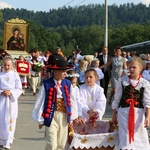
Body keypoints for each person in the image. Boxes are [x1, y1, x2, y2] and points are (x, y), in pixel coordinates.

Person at [32, 59, 78, 150]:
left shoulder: (68, 83)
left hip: (64, 116)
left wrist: (72, 118)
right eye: (63, 71)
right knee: (52, 143)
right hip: (51, 116)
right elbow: (40, 102)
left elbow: (72, 101)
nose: (65, 73)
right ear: (55, 71)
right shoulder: (47, 84)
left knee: (61, 144)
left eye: (66, 71)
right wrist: (40, 119)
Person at [112, 57, 150, 149]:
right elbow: (117, 99)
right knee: (125, 135)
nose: (131, 69)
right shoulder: (122, 81)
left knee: (139, 135)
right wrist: (114, 115)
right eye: (130, 67)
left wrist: (148, 117)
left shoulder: (144, 83)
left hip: (138, 113)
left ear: (140, 68)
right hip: (124, 113)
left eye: (134, 67)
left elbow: (147, 101)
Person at [0, 57, 22, 149]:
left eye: (9, 65)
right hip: (2, 99)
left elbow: (19, 88)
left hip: (11, 100)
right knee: (2, 119)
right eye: (5, 65)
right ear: (2, 65)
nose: (7, 67)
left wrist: (11, 92)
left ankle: (8, 140)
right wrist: (1, 92)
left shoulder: (15, 75)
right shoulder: (0, 75)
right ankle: (1, 139)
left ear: (12, 65)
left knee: (10, 119)